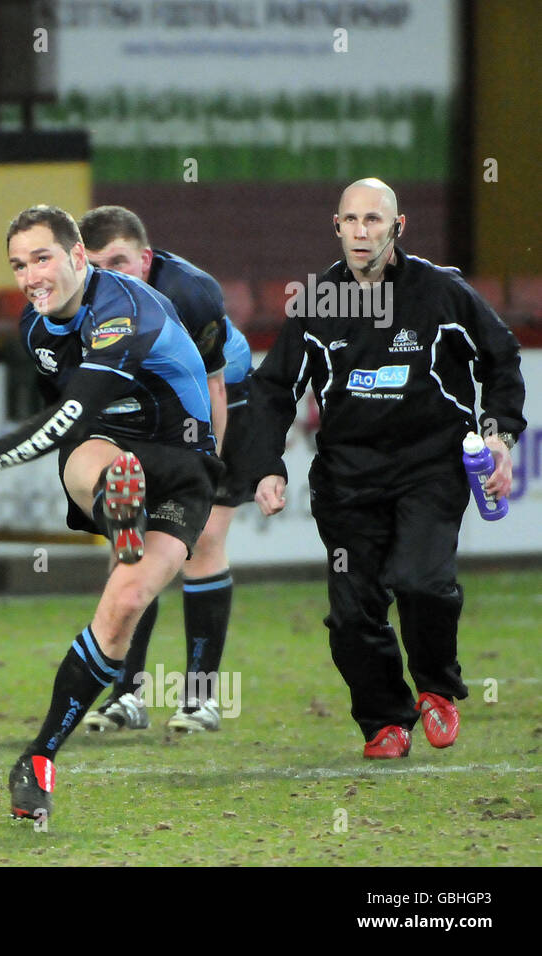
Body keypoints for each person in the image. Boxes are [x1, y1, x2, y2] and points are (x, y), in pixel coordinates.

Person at [0, 205, 223, 819]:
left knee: (124, 607)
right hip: (106, 450)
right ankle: (116, 505)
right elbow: (70, 426)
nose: (29, 276)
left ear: (77, 257)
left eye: (42, 258)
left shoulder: (122, 310)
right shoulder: (37, 330)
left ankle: (39, 752)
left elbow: (64, 417)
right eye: (18, 265)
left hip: (182, 463)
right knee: (90, 454)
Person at [248, 178, 525, 758]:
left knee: (421, 581)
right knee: (352, 615)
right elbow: (275, 388)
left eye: (373, 220)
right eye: (349, 220)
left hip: (432, 466)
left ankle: (436, 687)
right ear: (337, 227)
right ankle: (384, 720)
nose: (359, 231)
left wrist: (499, 436)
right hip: (348, 479)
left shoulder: (441, 292)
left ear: (398, 228)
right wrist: (266, 464)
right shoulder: (320, 300)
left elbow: (500, 358)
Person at [74, 205, 254, 734]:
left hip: (225, 403)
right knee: (131, 546)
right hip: (147, 412)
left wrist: (205, 471)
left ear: (147, 259)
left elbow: (214, 387)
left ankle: (200, 698)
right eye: (97, 266)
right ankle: (127, 696)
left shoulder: (192, 294)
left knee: (201, 545)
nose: (110, 275)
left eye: (121, 262)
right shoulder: (80, 300)